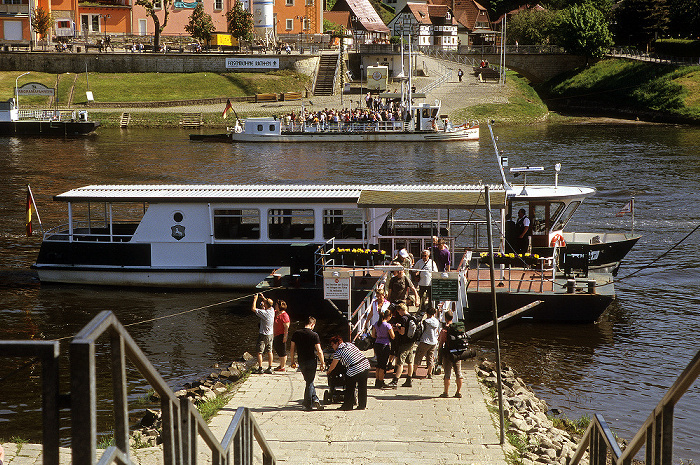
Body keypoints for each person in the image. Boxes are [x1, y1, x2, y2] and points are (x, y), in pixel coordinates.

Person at [290, 316, 326, 410]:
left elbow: (292, 349)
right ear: (312, 324)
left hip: (301, 360)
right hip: (311, 360)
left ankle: (315, 399)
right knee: (309, 382)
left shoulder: (296, 333)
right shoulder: (314, 335)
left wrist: (292, 361)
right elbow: (319, 350)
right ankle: (307, 405)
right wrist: (322, 363)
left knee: (309, 381)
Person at [327, 335, 371, 410]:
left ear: (337, 343)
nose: (332, 347)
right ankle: (362, 405)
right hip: (365, 364)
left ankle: (347, 405)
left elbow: (333, 365)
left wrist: (329, 371)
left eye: (332, 345)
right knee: (362, 387)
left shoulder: (338, 352)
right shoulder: (349, 344)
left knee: (350, 386)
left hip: (355, 367)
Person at [386, 303, 415, 388]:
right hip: (411, 342)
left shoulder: (403, 318)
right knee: (410, 362)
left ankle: (395, 381)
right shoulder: (411, 316)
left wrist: (397, 328)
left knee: (400, 362)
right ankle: (409, 380)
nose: (398, 313)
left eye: (398, 312)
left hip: (404, 342)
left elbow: (402, 332)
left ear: (401, 310)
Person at [438, 311, 462, 398]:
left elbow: (440, 343)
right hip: (458, 353)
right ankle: (458, 392)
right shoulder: (458, 328)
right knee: (458, 373)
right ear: (452, 318)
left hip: (448, 353)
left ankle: (446, 392)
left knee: (447, 373)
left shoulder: (445, 329)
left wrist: (439, 355)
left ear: (445, 318)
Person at [411, 306, 440, 379]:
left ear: (427, 313)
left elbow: (421, 330)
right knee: (430, 357)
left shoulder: (426, 321)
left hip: (425, 341)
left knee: (418, 355)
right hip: (433, 341)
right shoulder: (437, 321)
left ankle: (414, 372)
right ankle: (429, 373)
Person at [251, 293, 274, 374]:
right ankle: (270, 368)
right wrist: (263, 297)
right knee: (269, 351)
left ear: (266, 305)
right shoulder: (272, 310)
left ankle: (260, 369)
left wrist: (255, 299)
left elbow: (253, 309)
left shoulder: (264, 313)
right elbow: (268, 303)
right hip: (271, 334)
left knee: (259, 352)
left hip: (263, 335)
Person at [371, 308, 395, 388]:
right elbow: (393, 336)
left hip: (377, 344)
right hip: (385, 345)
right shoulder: (387, 325)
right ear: (388, 316)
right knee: (383, 365)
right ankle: (381, 382)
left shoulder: (376, 324)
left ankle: (377, 380)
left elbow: (373, 335)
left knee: (378, 364)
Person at [273, 299, 291, 371]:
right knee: (277, 348)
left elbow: (286, 327)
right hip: (276, 334)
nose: (275, 306)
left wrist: (285, 336)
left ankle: (282, 366)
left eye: (276, 305)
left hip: (281, 334)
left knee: (282, 350)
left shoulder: (284, 315)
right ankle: (281, 364)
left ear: (280, 306)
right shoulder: (276, 312)